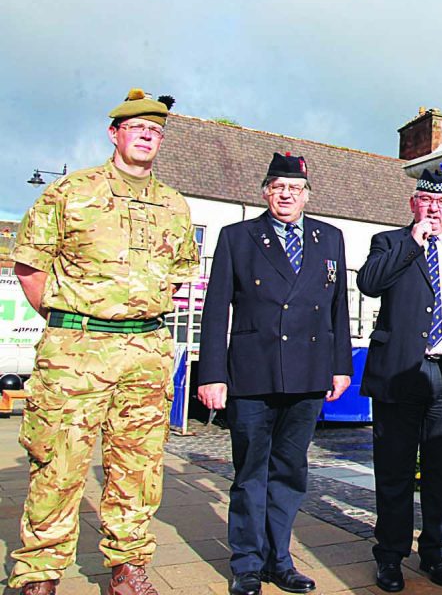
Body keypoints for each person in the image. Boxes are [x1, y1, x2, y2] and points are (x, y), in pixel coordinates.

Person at [9, 89, 198, 595]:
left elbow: (176, 278)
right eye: (137, 127)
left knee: (138, 466)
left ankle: (128, 568)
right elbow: (30, 268)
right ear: (115, 132)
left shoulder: (174, 206)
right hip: (76, 351)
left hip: (144, 353)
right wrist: (70, 319)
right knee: (58, 462)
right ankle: (40, 572)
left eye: (155, 130)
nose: (147, 135)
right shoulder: (69, 192)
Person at [196, 152, 353, 595]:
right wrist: (212, 374)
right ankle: (247, 563)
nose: (287, 195)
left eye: (295, 189)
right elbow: (214, 312)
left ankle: (279, 559)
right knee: (250, 473)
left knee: (289, 471)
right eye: (279, 188)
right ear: (266, 192)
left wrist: (341, 366)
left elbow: (339, 308)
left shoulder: (330, 238)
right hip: (252, 374)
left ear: (307, 195)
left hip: (307, 374)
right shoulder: (238, 237)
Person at [356, 162, 442, 592]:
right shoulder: (390, 242)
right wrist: (412, 245)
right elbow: (369, 284)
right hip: (400, 375)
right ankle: (391, 555)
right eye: (427, 201)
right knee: (395, 471)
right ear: (414, 204)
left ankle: (436, 552)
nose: (434, 209)